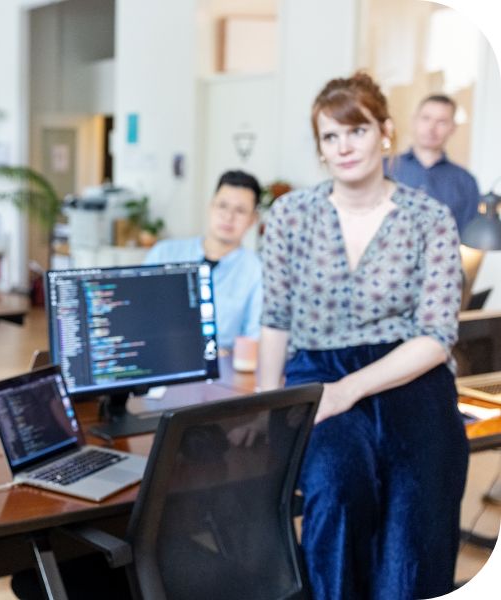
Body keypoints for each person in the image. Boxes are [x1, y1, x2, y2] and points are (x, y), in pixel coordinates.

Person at [258, 72, 468, 599]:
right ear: (320, 149)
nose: (344, 146)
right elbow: (276, 319)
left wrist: (350, 389)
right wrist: (264, 413)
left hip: (410, 376)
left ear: (385, 132)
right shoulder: (290, 215)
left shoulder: (430, 218)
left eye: (357, 130)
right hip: (318, 373)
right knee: (335, 490)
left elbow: (437, 335)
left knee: (413, 529)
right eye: (330, 137)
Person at [144, 170, 263, 348]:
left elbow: (254, 340)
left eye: (240, 210)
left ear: (253, 219)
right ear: (211, 206)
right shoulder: (164, 254)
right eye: (222, 206)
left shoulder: (257, 271)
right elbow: (140, 313)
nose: (228, 217)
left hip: (221, 369)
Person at [385, 94, 480, 231]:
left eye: (441, 122)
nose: (431, 128)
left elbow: (469, 238)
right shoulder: (385, 167)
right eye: (426, 118)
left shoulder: (466, 182)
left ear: (452, 128)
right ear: (414, 121)